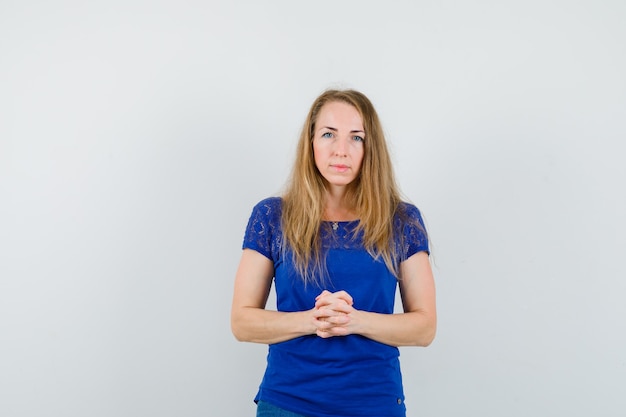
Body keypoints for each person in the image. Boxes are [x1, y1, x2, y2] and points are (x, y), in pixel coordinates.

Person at [231, 89, 436, 417]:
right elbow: (242, 322)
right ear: (310, 141)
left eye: (356, 138)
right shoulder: (271, 216)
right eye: (329, 134)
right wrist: (313, 321)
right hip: (288, 402)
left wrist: (353, 321)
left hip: (374, 403)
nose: (341, 150)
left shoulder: (402, 220)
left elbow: (424, 328)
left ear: (371, 149)